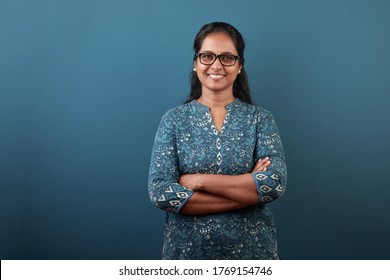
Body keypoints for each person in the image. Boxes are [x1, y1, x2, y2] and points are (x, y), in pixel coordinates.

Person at [148, 22, 287, 260]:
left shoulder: (259, 119)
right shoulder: (174, 120)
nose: (216, 65)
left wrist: (199, 181)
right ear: (196, 63)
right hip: (187, 256)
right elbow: (161, 192)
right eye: (208, 56)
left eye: (227, 58)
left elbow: (273, 183)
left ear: (240, 66)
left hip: (253, 256)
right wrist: (245, 194)